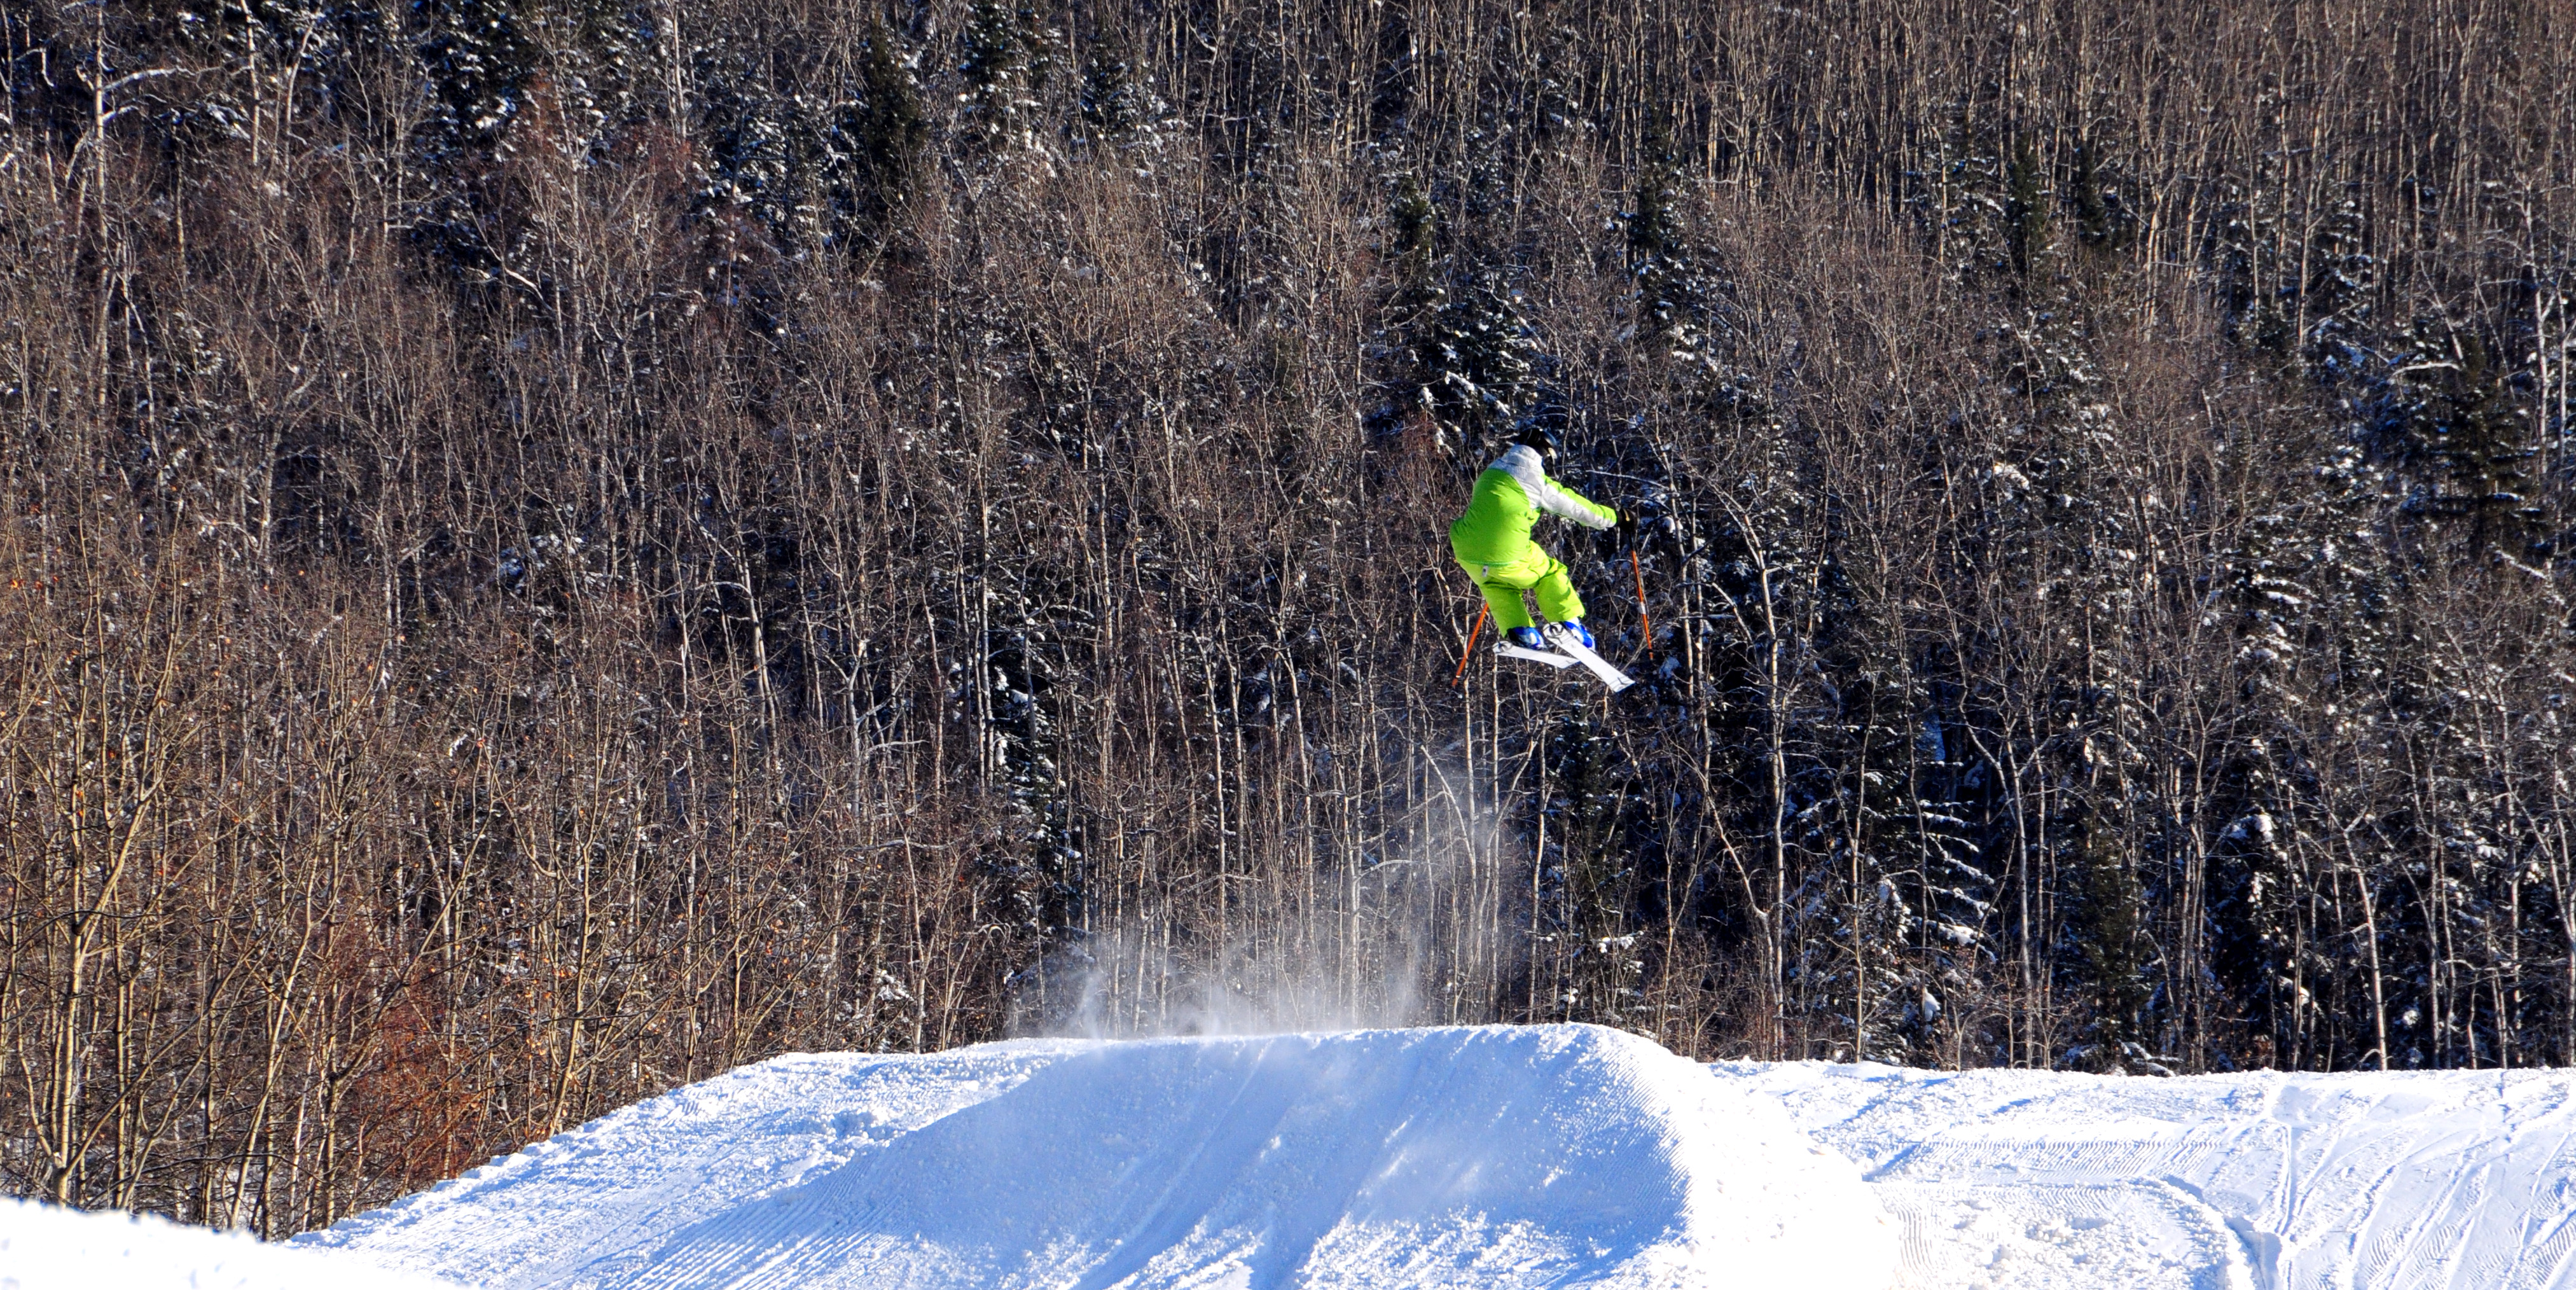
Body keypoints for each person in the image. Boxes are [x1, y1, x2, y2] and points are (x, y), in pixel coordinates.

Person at [1449, 433, 1619, 651]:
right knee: (1550, 573)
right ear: (1544, 454)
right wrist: (1615, 518)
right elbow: (1577, 508)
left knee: (1496, 583)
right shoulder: (1535, 479)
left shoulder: (1491, 471)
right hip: (1506, 549)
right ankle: (1569, 624)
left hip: (1466, 548)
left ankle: (1521, 631)